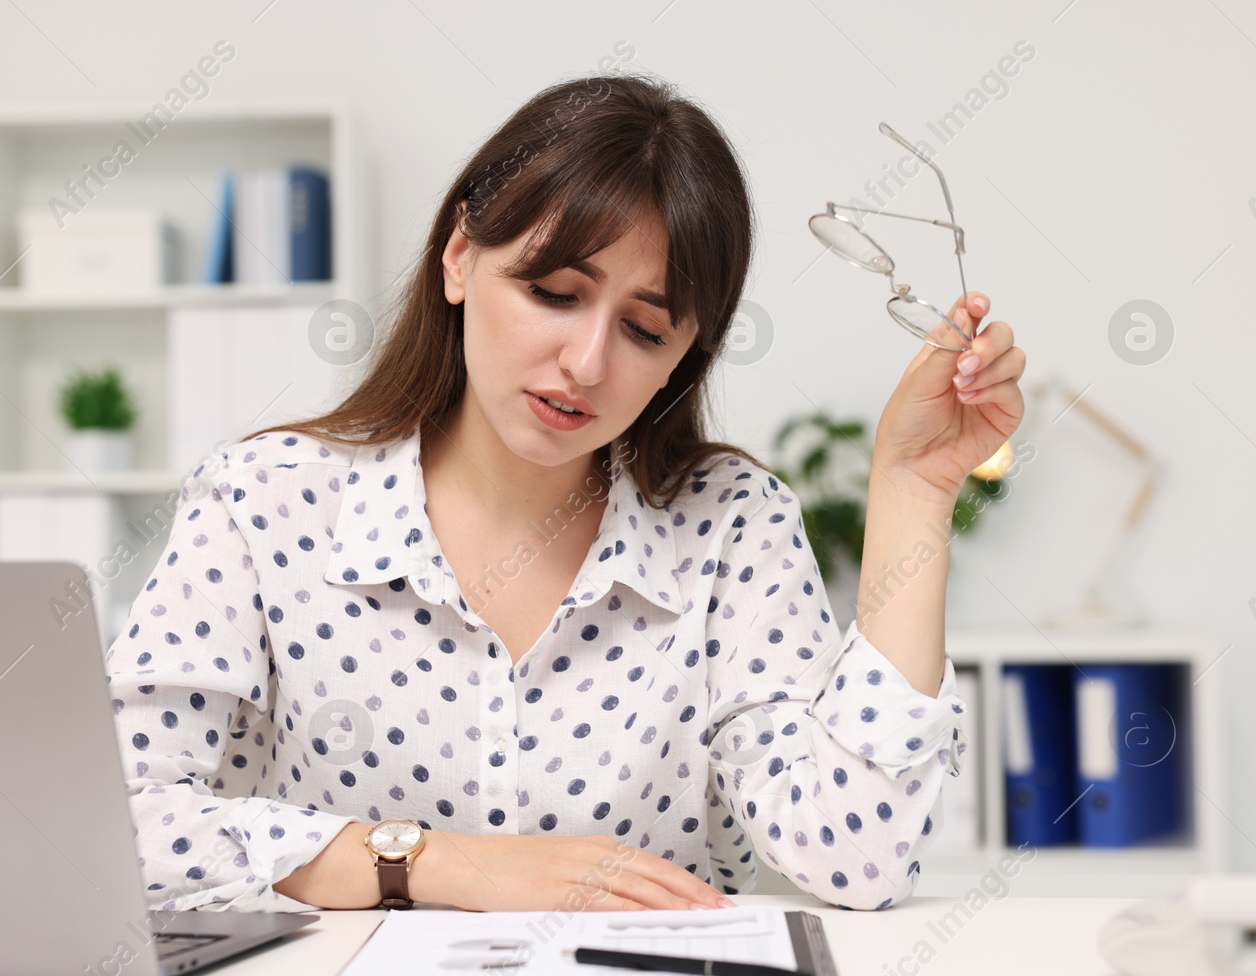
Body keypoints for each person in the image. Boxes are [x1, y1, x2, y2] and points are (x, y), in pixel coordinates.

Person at [104, 70, 1024, 915]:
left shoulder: (732, 526)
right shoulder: (263, 502)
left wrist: (914, 486)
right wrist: (442, 864)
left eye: (644, 328)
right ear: (461, 255)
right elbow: (115, 823)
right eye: (553, 292)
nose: (586, 364)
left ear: (682, 358)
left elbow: (858, 859)